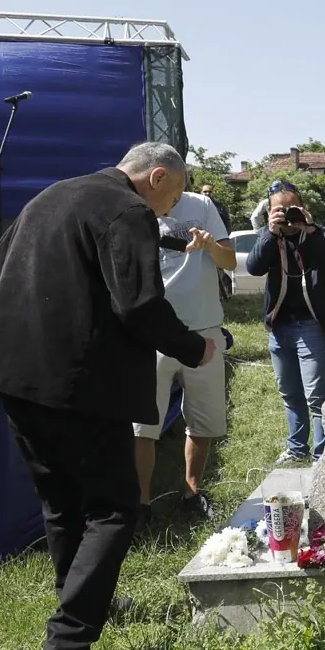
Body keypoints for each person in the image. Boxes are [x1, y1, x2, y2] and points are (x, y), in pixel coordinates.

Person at [0, 142, 215, 650]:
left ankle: (80, 597)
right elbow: (139, 305)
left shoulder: (52, 196)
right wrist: (195, 348)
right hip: (78, 383)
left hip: (13, 372)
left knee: (61, 503)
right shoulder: (128, 210)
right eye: (172, 197)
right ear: (156, 177)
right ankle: (68, 649)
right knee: (115, 507)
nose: (168, 210)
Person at [133, 188, 235, 525]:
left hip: (205, 330)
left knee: (203, 422)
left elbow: (230, 261)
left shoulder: (201, 204)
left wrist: (210, 246)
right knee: (142, 427)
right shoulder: (134, 208)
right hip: (154, 333)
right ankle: (141, 505)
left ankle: (192, 495)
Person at [246, 180, 325, 463]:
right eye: (279, 210)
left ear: (304, 208)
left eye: (292, 208)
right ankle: (296, 449)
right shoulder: (269, 237)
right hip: (279, 327)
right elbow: (254, 267)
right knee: (290, 394)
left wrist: (311, 231)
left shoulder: (320, 235)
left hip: (312, 326)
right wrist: (270, 232)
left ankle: (322, 455)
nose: (287, 214)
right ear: (269, 213)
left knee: (317, 396)